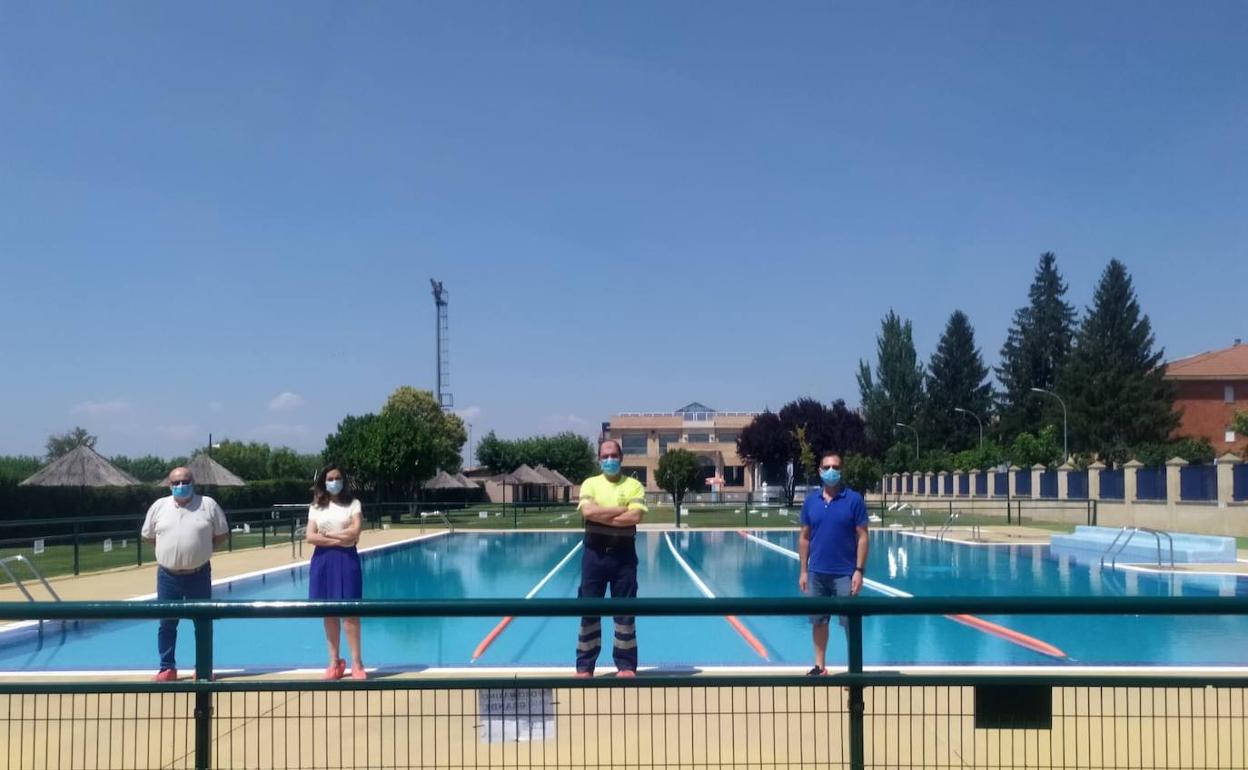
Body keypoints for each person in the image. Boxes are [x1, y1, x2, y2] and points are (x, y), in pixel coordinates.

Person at [141, 466, 229, 682]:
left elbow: (221, 534)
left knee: (202, 622)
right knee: (167, 623)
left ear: (193, 483)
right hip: (167, 576)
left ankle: (203, 667)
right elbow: (148, 536)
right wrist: (169, 552)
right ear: (170, 485)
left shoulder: (207, 505)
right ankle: (167, 667)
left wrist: (201, 551)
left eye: (185, 481)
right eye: (176, 482)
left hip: (198, 574)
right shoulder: (159, 507)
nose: (181, 486)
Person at [575, 439, 647, 677]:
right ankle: (585, 667)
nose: (609, 460)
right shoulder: (590, 484)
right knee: (588, 611)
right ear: (599, 459)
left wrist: (600, 515)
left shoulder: (634, 485)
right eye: (605, 456)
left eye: (613, 455)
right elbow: (588, 512)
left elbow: (635, 516)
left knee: (625, 612)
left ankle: (626, 666)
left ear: (621, 458)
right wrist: (620, 509)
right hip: (594, 554)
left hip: (624, 557)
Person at [798, 451, 869, 676]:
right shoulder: (811, 502)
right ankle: (819, 666)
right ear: (819, 471)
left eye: (836, 467)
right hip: (817, 572)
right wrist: (803, 571)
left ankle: (853, 670)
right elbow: (804, 537)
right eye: (827, 467)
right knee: (819, 622)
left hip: (845, 574)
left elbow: (863, 536)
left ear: (841, 470)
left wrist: (858, 570)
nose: (831, 471)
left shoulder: (853, 500)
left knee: (850, 624)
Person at [306, 464, 366, 680]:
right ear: (323, 481)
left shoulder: (353, 504)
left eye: (337, 477)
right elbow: (310, 537)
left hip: (347, 560)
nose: (334, 481)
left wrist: (328, 535)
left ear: (344, 480)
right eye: (330, 478)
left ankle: (357, 662)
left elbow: (356, 531)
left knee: (350, 613)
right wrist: (342, 536)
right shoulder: (316, 507)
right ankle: (334, 662)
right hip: (323, 562)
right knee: (329, 612)